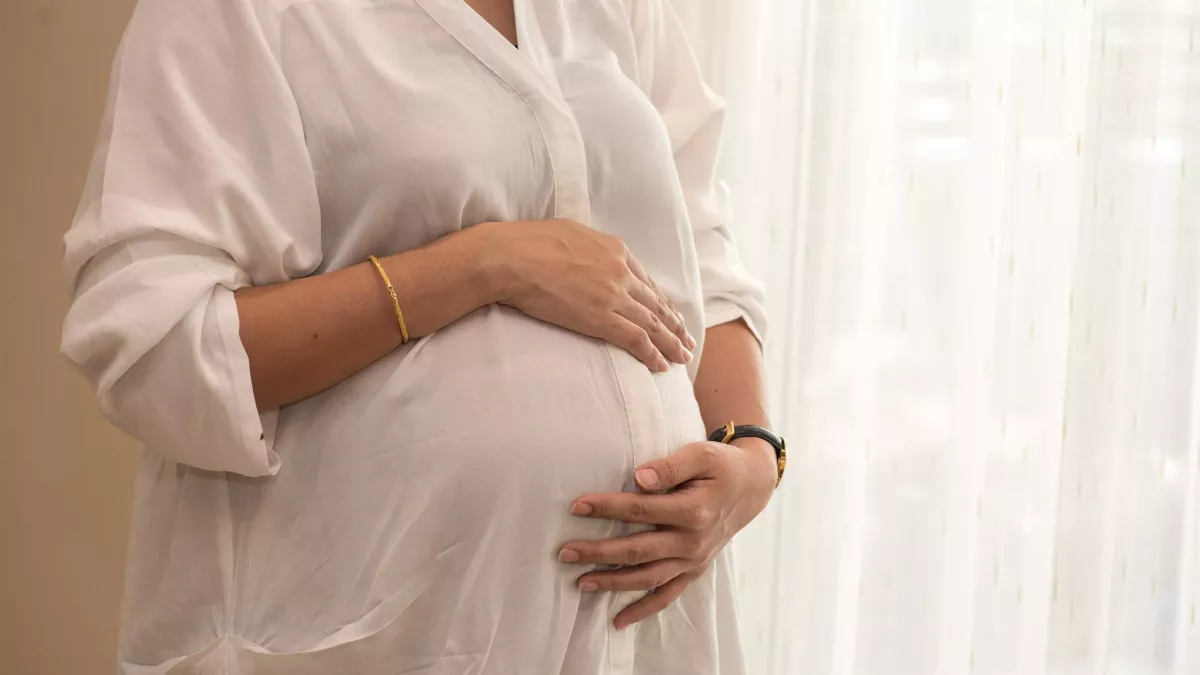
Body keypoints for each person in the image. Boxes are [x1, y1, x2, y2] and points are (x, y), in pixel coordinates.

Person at [61, 0, 782, 672]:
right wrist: (482, 263)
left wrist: (752, 456)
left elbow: (702, 253)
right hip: (374, 626)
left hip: (642, 632)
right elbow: (151, 343)